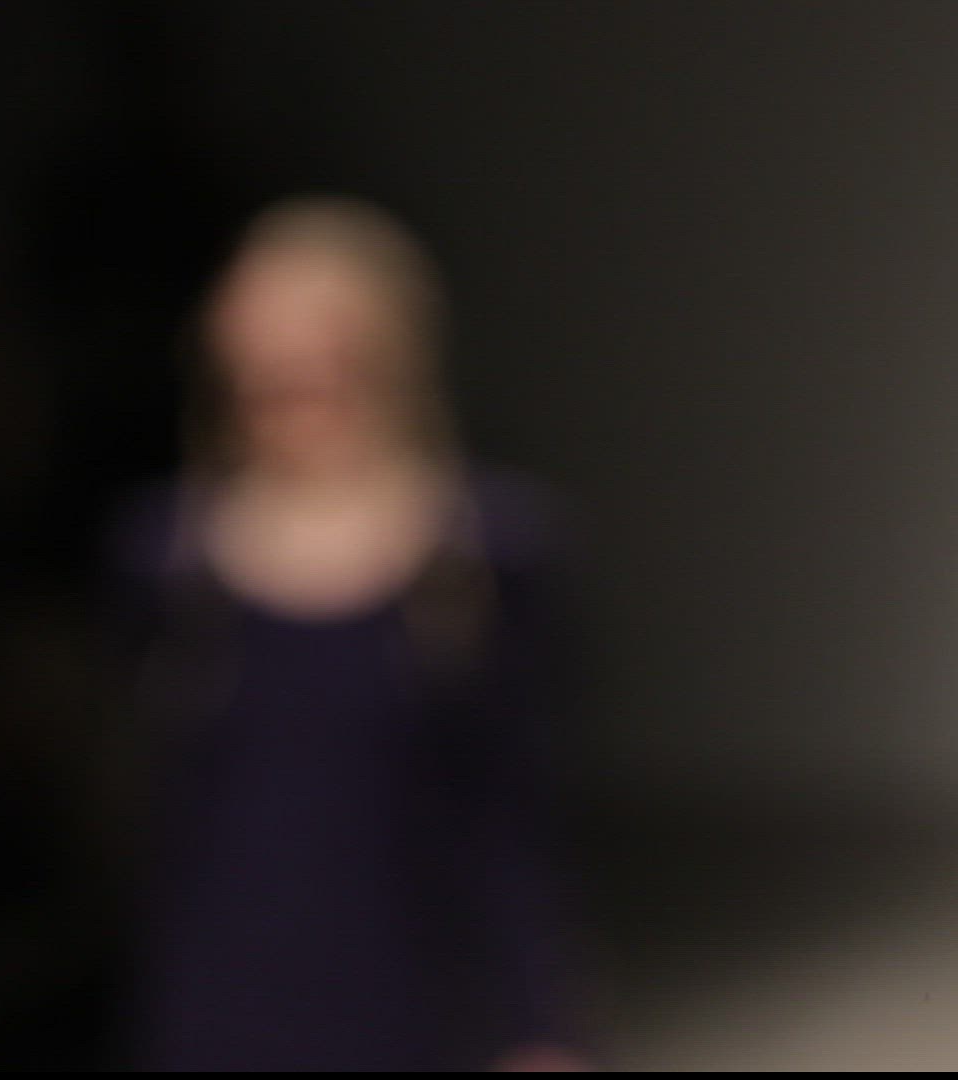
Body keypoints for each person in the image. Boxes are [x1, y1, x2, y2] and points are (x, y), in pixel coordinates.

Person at [100, 197, 591, 1071]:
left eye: (318, 341)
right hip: (215, 1009)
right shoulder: (166, 560)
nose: (288, 370)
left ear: (386, 347)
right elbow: (146, 814)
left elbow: (510, 813)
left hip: (424, 1008)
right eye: (263, 346)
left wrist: (542, 1026)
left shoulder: (481, 554)